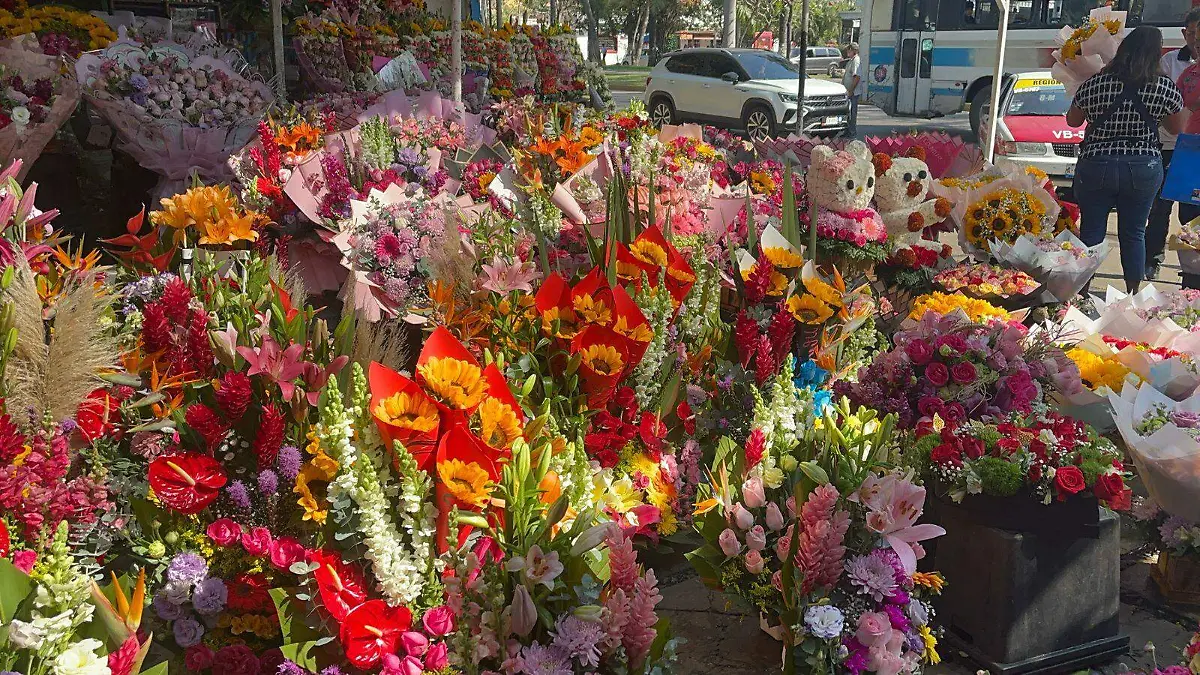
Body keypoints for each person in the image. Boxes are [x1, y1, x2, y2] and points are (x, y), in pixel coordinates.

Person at [1067, 25, 1187, 293]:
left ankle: (1081, 293)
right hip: (1142, 165)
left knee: (1091, 231)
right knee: (1134, 233)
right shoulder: (1163, 86)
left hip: (1096, 162)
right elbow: (1175, 128)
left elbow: (1072, 121)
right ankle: (1133, 295)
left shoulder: (1096, 82)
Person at [1145, 7, 1200, 281]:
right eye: (1193, 36)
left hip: (1192, 149)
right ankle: (1162, 263)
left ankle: (1192, 269)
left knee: (1192, 212)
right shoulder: (1179, 67)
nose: (1195, 42)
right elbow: (1171, 103)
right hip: (1176, 148)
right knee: (1169, 209)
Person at [842, 43, 863, 137]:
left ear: (854, 51)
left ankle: (852, 132)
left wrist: (851, 90)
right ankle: (847, 131)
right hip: (848, 91)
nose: (847, 52)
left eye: (849, 50)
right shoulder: (851, 60)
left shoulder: (856, 61)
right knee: (848, 113)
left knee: (852, 113)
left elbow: (857, 77)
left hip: (853, 92)